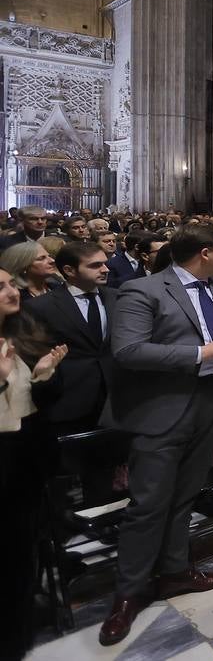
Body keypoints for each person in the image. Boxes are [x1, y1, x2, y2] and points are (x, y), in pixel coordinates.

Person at [100, 224, 213, 645]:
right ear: (206, 253)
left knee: (187, 493)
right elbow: (129, 351)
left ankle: (175, 570)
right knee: (148, 503)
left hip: (210, 401)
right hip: (162, 406)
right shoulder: (144, 290)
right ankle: (128, 593)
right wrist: (201, 353)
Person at [0, 269, 68, 661]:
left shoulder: (21, 331)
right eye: (3, 287)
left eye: (13, 283)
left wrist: (44, 377)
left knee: (21, 552)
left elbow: (37, 401)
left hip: (25, 458)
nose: (14, 291)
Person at [24, 241, 116, 437]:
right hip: (69, 400)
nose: (105, 269)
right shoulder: (41, 306)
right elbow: (38, 355)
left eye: (105, 263)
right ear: (69, 270)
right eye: (95, 265)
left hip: (115, 399)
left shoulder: (118, 297)